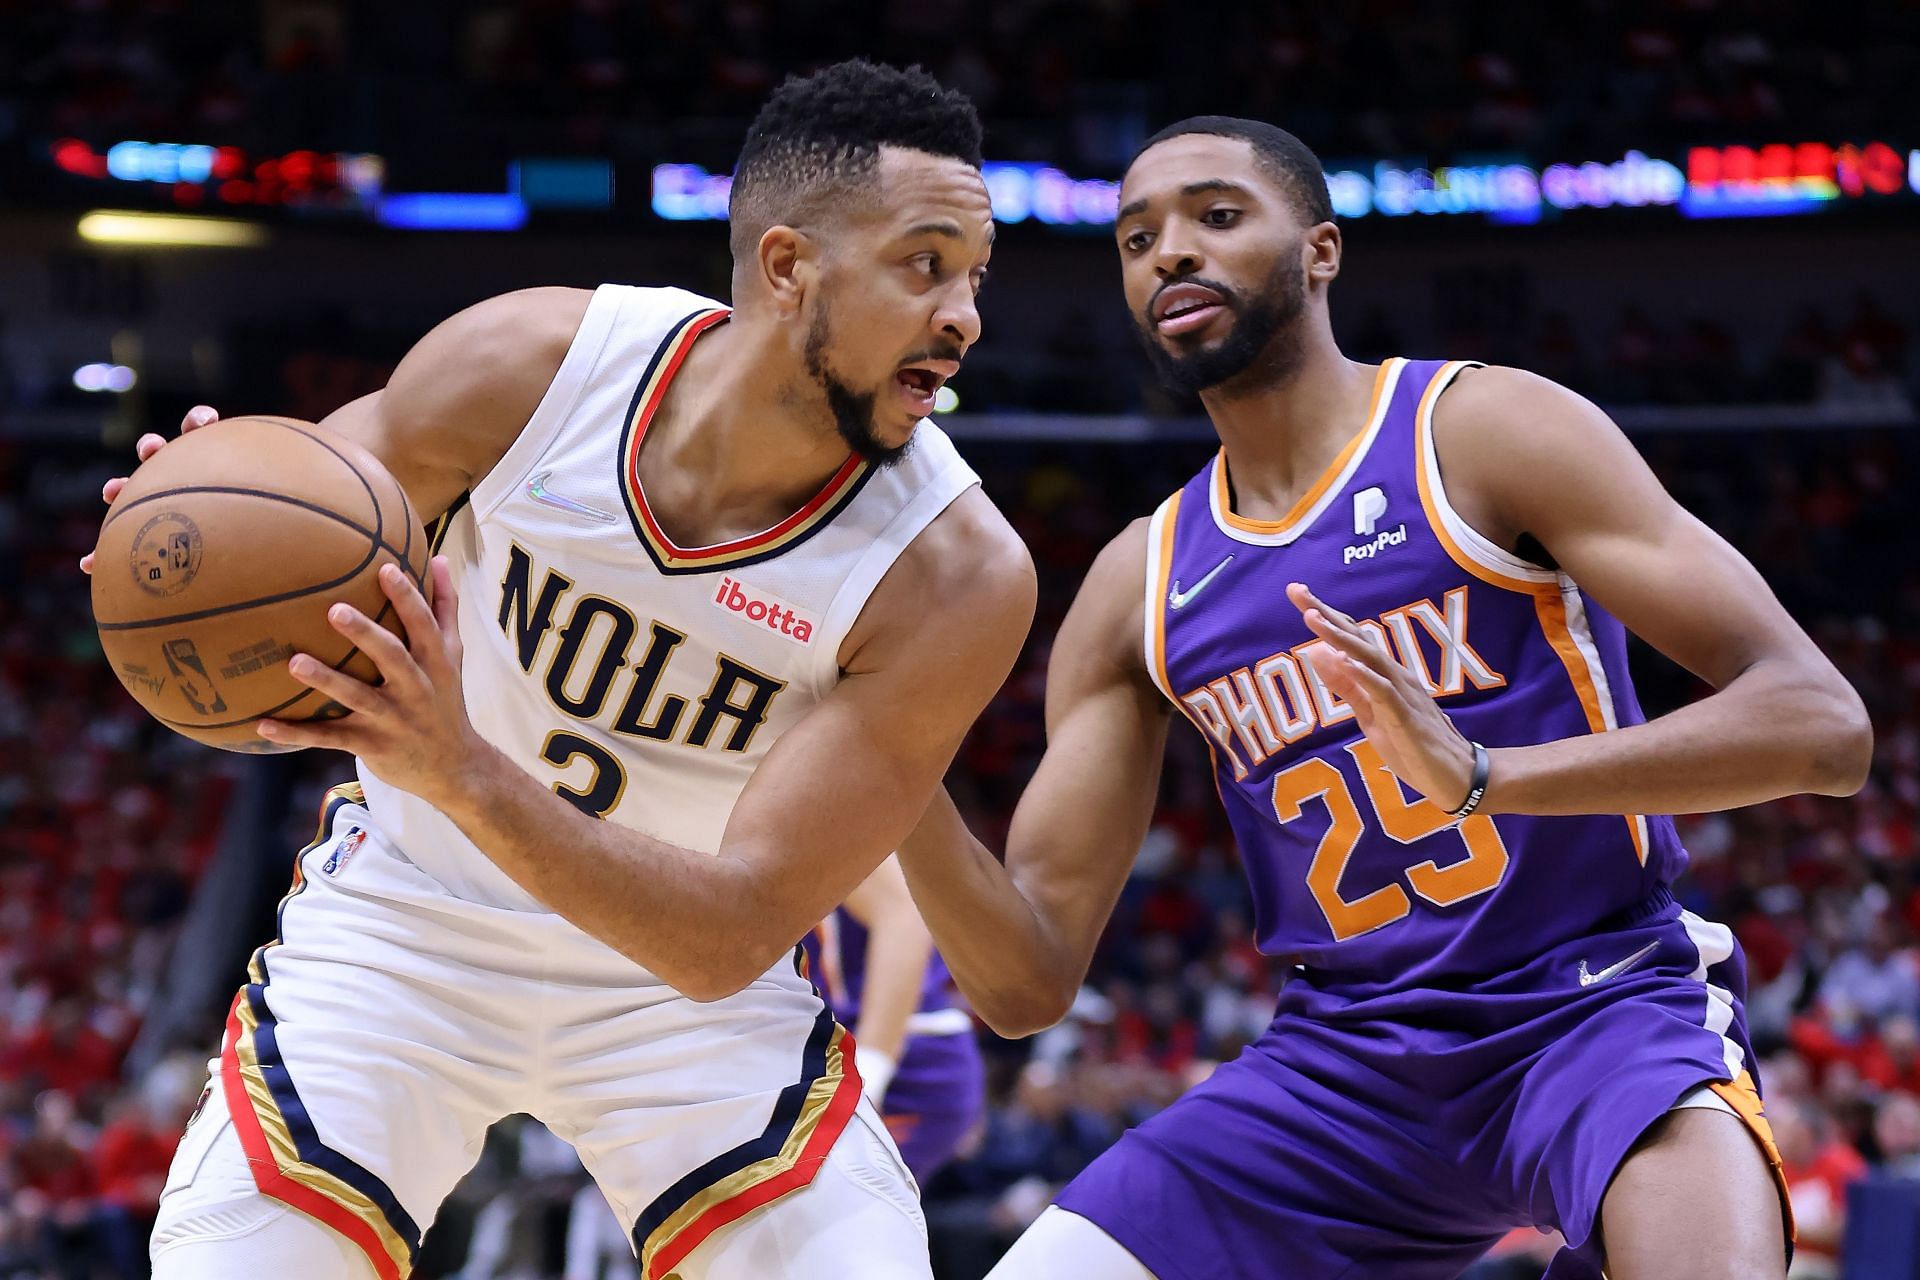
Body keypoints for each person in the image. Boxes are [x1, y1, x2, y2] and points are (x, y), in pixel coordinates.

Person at [85, 60, 1033, 1280]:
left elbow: (727, 936)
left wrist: (464, 768)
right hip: (409, 927)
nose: (963, 316)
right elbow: (278, 583)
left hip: (683, 1005)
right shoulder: (531, 365)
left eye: (974, 277)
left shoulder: (955, 571)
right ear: (790, 267)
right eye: (925, 264)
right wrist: (189, 540)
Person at [897, 116, 1874, 1279]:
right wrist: (886, 758)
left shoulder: (1480, 430)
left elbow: (1823, 724)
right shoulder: (1138, 585)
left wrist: (1484, 776)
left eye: (1216, 216)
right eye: (1136, 237)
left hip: (1596, 1005)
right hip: (1344, 1064)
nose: (1169, 254)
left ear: (1320, 250)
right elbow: (1025, 981)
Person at [801, 857, 986, 1183]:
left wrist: (870, 1075)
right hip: (821, 1049)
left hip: (905, 1056)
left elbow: (904, 916)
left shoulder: (819, 811)